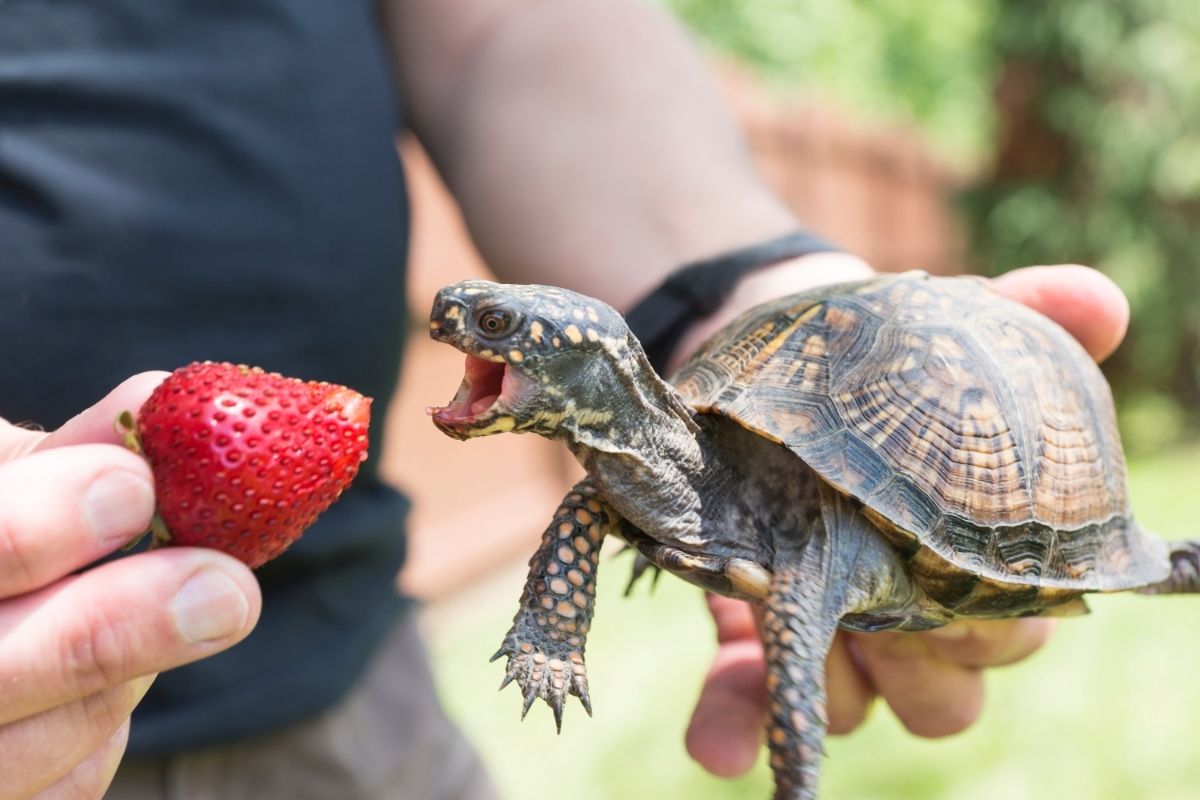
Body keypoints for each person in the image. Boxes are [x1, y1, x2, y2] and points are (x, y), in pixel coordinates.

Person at [0, 1, 1131, 797]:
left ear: (584, 366)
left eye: (493, 326)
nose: (457, 323)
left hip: (343, 680)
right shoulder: (625, 471)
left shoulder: (656, 461)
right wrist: (552, 629)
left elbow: (507, 25)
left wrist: (732, 287)